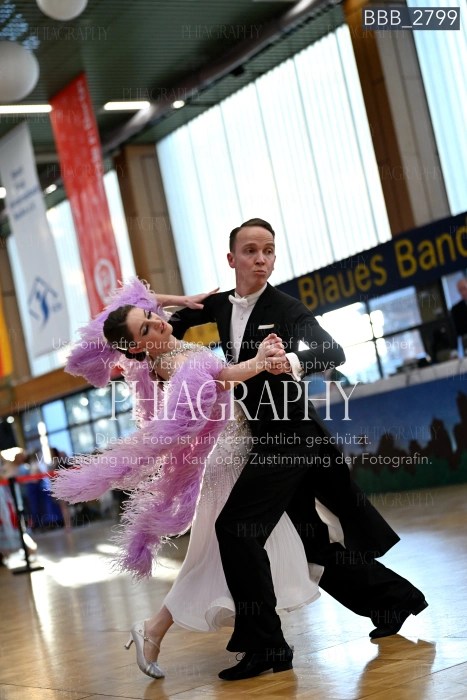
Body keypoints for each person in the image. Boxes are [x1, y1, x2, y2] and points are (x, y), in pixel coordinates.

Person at [169, 218, 428, 680]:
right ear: (232, 259)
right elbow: (171, 323)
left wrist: (287, 360)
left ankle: (267, 646)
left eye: (268, 250)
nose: (261, 259)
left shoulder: (286, 306)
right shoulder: (221, 306)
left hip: (291, 437)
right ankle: (394, 600)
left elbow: (332, 352)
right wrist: (166, 308)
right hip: (268, 441)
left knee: (236, 527)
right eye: (250, 251)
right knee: (310, 542)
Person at [51, 278, 329, 679]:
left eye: (152, 317)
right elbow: (223, 377)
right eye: (146, 328)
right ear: (137, 347)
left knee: (221, 558)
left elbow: (140, 299)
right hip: (226, 465)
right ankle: (241, 640)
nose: (158, 321)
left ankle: (252, 641)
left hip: (238, 456)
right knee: (219, 558)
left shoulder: (166, 345)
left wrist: (181, 299)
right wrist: (260, 360)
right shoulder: (173, 364)